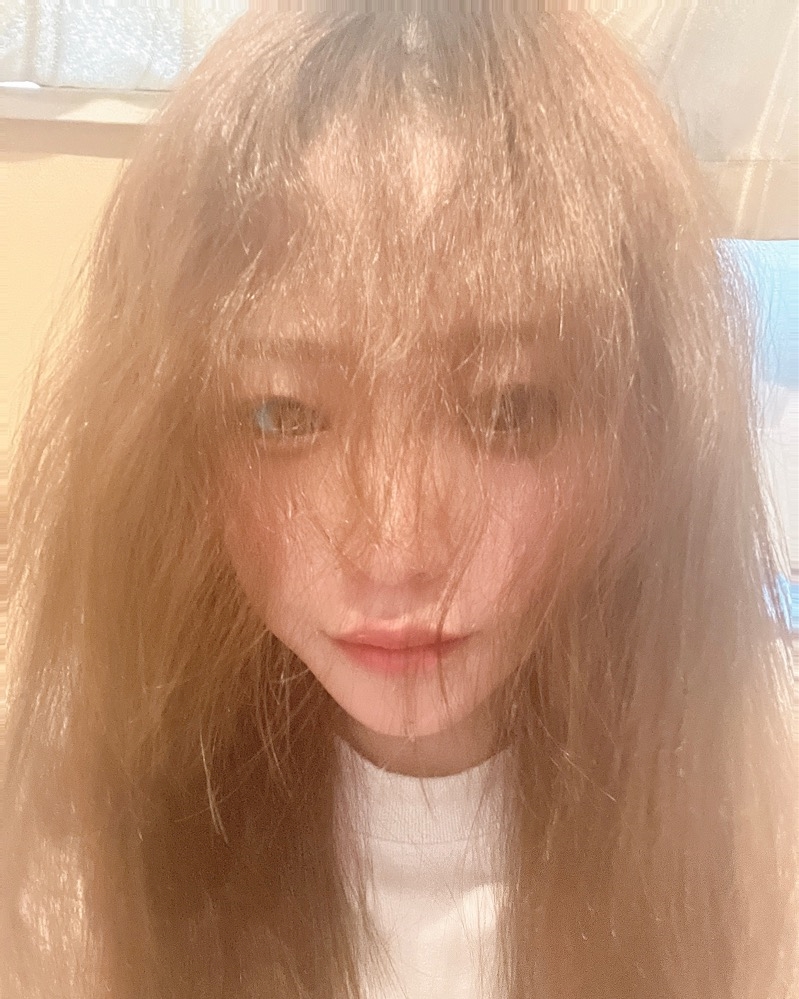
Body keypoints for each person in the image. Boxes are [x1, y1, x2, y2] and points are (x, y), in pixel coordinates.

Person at [2, 13, 796, 999]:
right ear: (170, 448)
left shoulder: (759, 834)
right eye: (281, 413)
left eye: (509, 407)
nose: (395, 546)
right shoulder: (66, 847)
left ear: (646, 439)